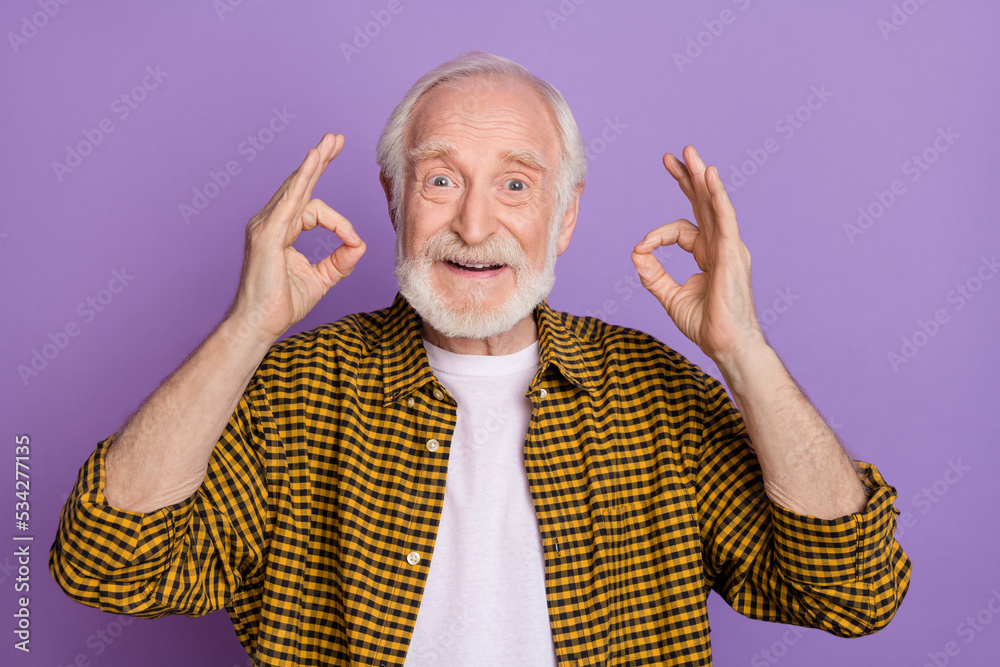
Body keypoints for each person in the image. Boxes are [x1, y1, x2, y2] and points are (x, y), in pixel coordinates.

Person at [50, 51, 911, 667]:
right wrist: (245, 329)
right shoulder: (293, 391)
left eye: (515, 183)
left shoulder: (655, 397)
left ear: (565, 216)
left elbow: (855, 591)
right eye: (440, 180)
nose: (472, 225)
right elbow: (105, 566)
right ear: (394, 200)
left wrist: (744, 350)